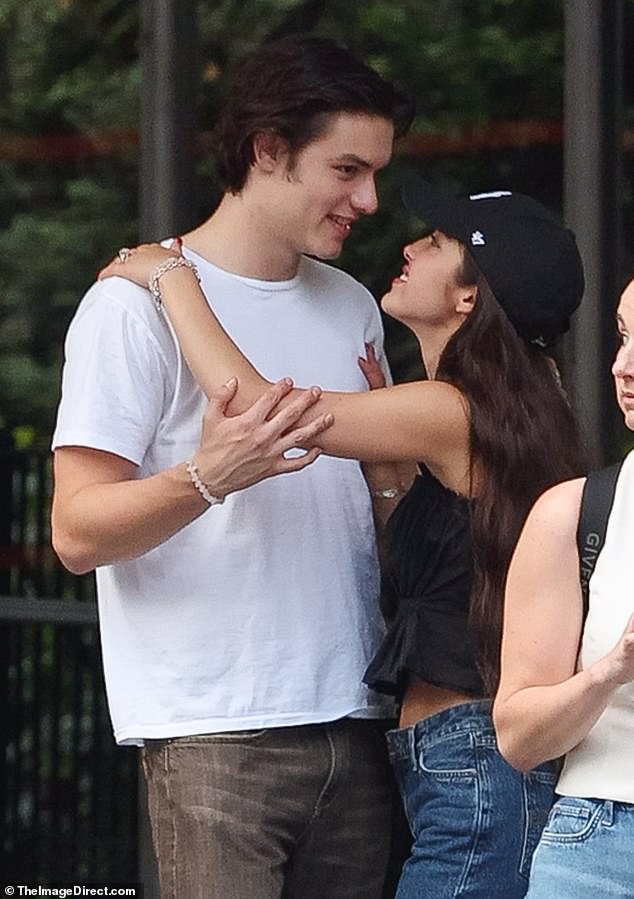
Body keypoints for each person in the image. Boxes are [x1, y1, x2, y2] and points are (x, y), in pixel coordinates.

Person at [99, 178, 587, 898]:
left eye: (438, 242)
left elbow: (263, 411)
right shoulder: (512, 411)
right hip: (465, 766)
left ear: (468, 298)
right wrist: (387, 468)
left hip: (473, 771)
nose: (411, 246)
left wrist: (172, 277)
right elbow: (441, 580)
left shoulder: (449, 409)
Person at [51, 35, 413, 899]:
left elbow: (382, 509)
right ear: (268, 150)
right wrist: (205, 477)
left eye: (376, 173)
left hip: (357, 721)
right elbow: (73, 532)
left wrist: (392, 483)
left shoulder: (352, 304)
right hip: (215, 733)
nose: (368, 199)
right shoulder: (127, 305)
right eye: (348, 169)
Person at [493, 275, 634, 898]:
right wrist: (611, 670)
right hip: (598, 839)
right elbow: (518, 737)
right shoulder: (575, 512)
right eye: (624, 337)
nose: (621, 367)